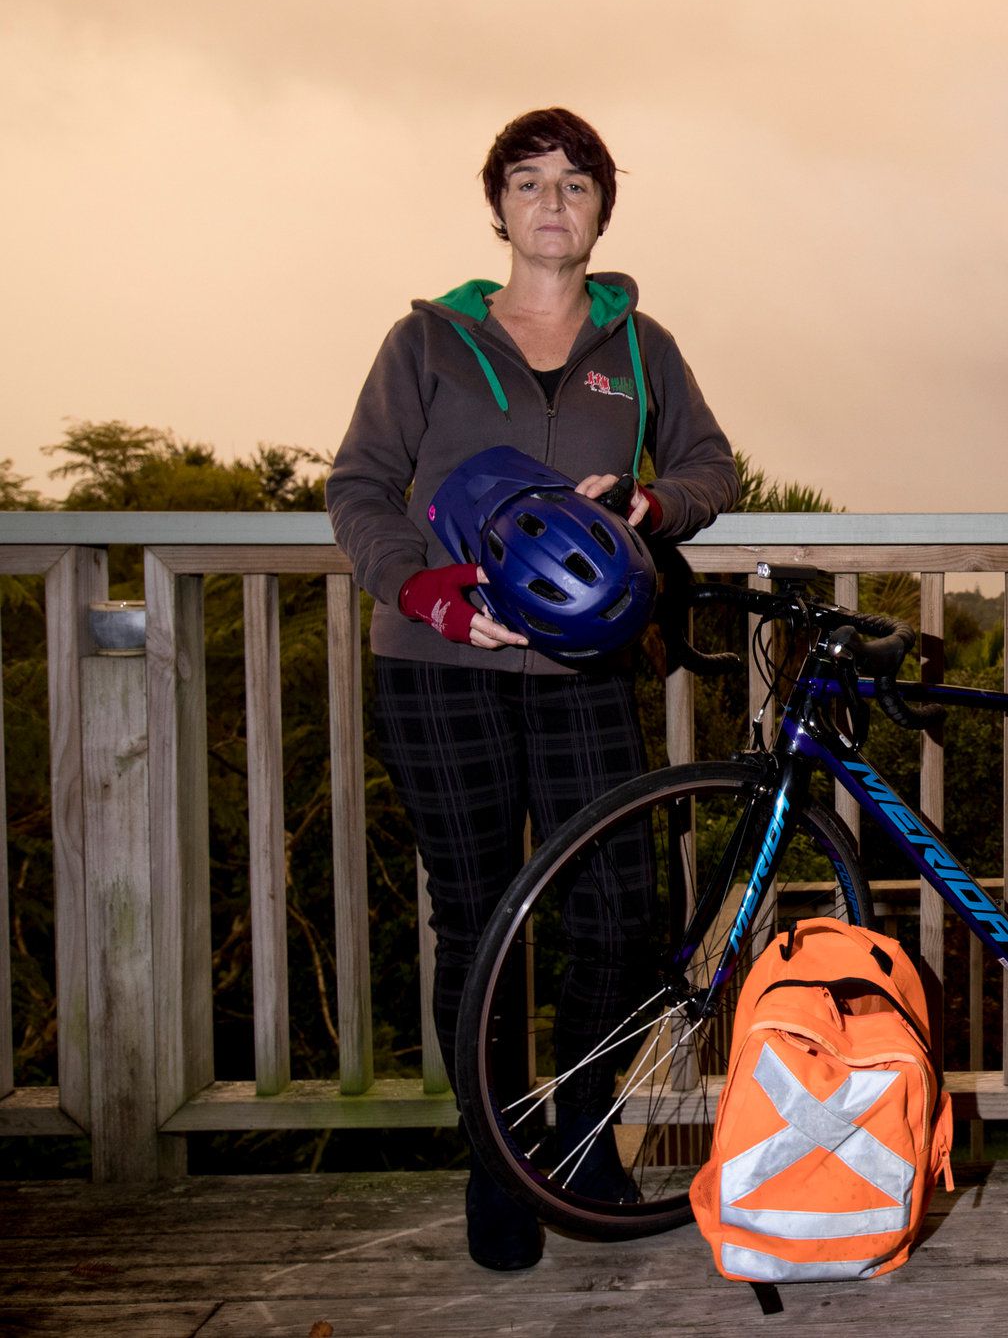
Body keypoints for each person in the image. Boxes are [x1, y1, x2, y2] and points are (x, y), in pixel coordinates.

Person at [326, 108, 739, 1270]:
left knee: (616, 910)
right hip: (440, 668)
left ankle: (584, 1130)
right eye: (528, 181)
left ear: (604, 207)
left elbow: (713, 465)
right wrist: (433, 598)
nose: (552, 200)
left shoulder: (641, 345)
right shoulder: (428, 341)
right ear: (497, 205)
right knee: (481, 920)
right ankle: (494, 1158)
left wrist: (651, 507)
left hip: (588, 665)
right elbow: (358, 487)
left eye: (575, 183)